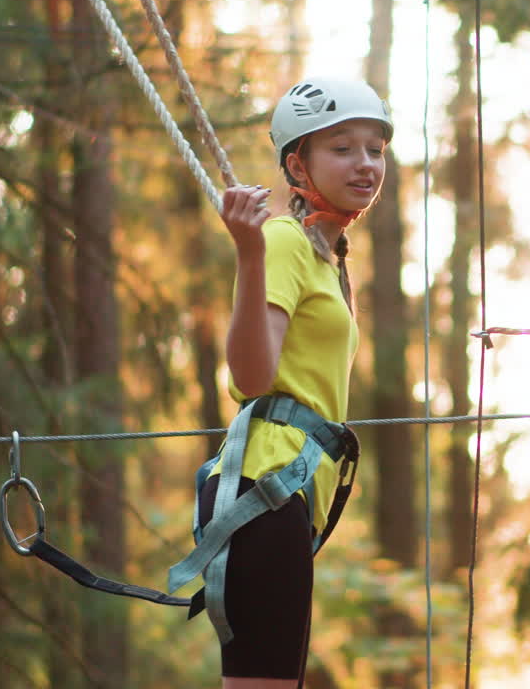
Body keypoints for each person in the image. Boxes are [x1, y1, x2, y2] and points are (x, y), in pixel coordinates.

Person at [169, 76, 392, 689]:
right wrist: (248, 251)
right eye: (342, 148)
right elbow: (250, 376)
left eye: (375, 148)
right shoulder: (284, 241)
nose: (366, 163)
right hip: (264, 492)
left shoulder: (325, 254)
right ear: (298, 164)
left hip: (280, 497)